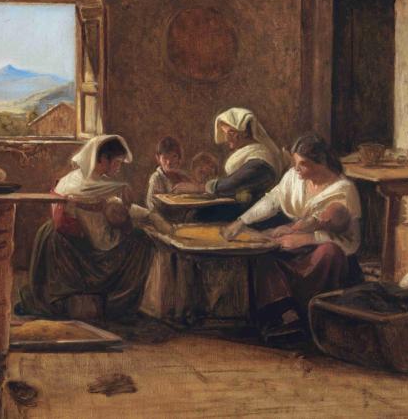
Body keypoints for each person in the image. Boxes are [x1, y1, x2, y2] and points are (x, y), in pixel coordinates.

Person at [223, 132, 363, 338]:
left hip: (329, 255)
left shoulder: (343, 189)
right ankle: (281, 316)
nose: (296, 168)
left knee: (328, 253)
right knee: (263, 255)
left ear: (320, 162)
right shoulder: (294, 178)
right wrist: (242, 221)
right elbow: (272, 201)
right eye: (294, 162)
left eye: (303, 164)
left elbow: (352, 243)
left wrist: (309, 238)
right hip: (294, 246)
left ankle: (308, 315)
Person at [18, 135, 154, 320]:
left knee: (138, 233)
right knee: (142, 241)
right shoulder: (92, 185)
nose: (119, 167)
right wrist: (145, 214)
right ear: (103, 159)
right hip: (88, 246)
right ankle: (120, 304)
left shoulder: (82, 179)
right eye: (117, 162)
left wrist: (145, 214)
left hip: (85, 236)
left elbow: (116, 206)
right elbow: (114, 212)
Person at [173, 107, 287, 221]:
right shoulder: (250, 155)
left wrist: (199, 188)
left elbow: (234, 183)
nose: (226, 138)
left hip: (254, 213)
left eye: (230, 132)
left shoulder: (260, 160)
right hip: (242, 206)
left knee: (196, 216)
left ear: (245, 133)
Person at [145, 136, 191, 211]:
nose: (169, 162)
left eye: (174, 157)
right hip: (163, 217)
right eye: (165, 158)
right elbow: (152, 206)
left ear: (179, 158)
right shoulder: (156, 178)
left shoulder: (183, 176)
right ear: (158, 159)